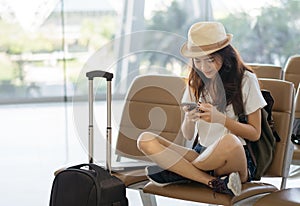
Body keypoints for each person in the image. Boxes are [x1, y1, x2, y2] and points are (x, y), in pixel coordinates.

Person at [137, 21, 266, 196]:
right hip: (201, 154)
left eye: (210, 60)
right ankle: (212, 182)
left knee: (229, 141)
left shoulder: (245, 80)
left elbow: (255, 133)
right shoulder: (195, 83)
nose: (204, 67)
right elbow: (188, 135)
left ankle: (180, 171)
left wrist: (221, 119)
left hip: (234, 159)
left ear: (225, 55)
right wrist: (190, 120)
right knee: (145, 140)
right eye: (197, 61)